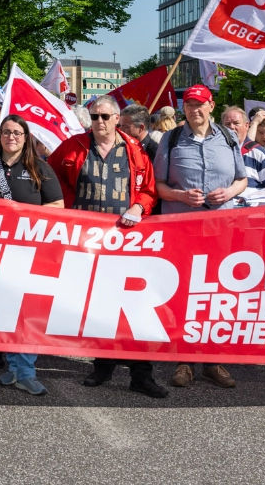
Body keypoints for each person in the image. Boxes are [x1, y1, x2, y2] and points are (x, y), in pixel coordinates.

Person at [48, 96, 165, 397]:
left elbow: (149, 191)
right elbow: (50, 176)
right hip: (87, 241)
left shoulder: (135, 151)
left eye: (104, 116)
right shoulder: (73, 146)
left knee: (135, 306)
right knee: (100, 305)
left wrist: (139, 207)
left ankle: (142, 374)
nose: (99, 122)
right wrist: (66, 204)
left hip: (126, 241)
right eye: (94, 116)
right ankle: (103, 366)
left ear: (117, 118)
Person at [154, 87, 246, 391]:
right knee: (185, 293)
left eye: (200, 104)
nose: (195, 110)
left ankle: (212, 360)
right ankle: (184, 360)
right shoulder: (171, 138)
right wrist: (180, 194)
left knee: (217, 294)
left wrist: (229, 192)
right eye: (189, 105)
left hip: (221, 227)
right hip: (183, 227)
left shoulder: (229, 137)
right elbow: (159, 185)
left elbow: (242, 179)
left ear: (211, 105)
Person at [0, 115, 64, 396]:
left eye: (17, 133)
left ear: (26, 137)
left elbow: (58, 206)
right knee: (4, 310)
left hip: (30, 253)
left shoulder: (40, 168)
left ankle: (27, 370)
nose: (11, 137)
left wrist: (23, 215)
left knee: (27, 312)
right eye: (7, 132)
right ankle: (12, 366)